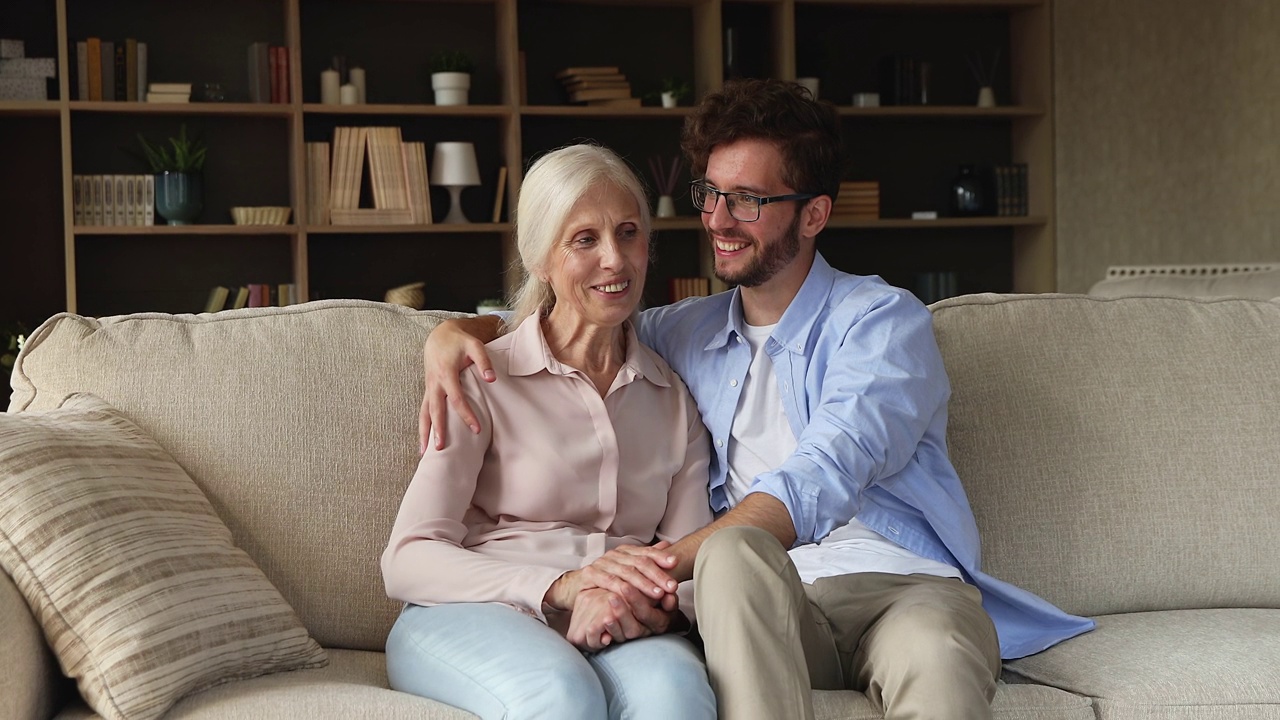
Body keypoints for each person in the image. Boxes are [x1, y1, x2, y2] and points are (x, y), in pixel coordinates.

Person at [418, 79, 1095, 720]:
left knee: (926, 648)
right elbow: (570, 320)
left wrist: (641, 569)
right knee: (733, 555)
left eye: (748, 200)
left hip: (900, 592)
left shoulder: (884, 323)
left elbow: (820, 477)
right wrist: (456, 334)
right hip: (763, 600)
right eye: (710, 194)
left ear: (814, 214)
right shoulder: (679, 332)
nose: (718, 219)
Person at [382, 143, 717, 720]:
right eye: (584, 239)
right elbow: (408, 558)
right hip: (473, 612)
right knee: (562, 695)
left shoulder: (673, 400)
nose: (615, 259)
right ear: (540, 258)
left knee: (679, 695)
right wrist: (563, 586)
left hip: (616, 620)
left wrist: (639, 607)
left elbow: (692, 570)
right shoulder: (483, 377)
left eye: (629, 233)